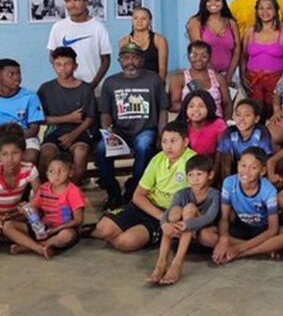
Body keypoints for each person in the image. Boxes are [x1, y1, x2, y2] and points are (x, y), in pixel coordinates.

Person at [92, 122, 196, 252]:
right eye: (164, 141)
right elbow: (138, 196)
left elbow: (194, 200)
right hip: (147, 207)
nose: (168, 146)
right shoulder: (157, 159)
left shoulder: (192, 162)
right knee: (104, 228)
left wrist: (167, 219)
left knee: (125, 242)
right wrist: (161, 216)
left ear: (185, 141)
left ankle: (144, 233)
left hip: (169, 214)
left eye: (173, 141)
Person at [97, 43, 169, 209]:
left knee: (144, 146)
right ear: (119, 61)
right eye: (126, 58)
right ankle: (113, 192)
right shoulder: (110, 82)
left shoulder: (153, 79)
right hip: (119, 132)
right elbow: (105, 113)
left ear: (142, 60)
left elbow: (163, 110)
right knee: (101, 149)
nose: (130, 62)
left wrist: (161, 135)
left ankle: (133, 188)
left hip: (145, 130)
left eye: (135, 57)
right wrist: (109, 135)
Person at [201, 147, 283, 264]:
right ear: (238, 165)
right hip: (240, 228)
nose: (246, 171)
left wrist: (238, 249)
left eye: (253, 168)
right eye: (243, 165)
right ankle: (264, 250)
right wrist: (223, 240)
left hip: (263, 231)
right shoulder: (229, 183)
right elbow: (224, 219)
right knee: (204, 235)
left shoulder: (269, 191)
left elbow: (272, 230)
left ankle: (242, 253)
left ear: (262, 171)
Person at [147, 155, 220, 285]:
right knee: (174, 212)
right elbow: (167, 213)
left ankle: (177, 263)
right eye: (190, 175)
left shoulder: (214, 194)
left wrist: (186, 224)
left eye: (199, 174)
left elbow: (210, 217)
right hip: (184, 231)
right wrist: (164, 224)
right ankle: (161, 262)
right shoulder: (182, 193)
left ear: (210, 175)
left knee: (190, 209)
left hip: (205, 229)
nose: (195, 179)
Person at [2, 152, 84, 259]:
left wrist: (54, 230)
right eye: (51, 171)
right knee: (8, 226)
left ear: (70, 172)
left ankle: (32, 246)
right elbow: (33, 207)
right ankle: (39, 248)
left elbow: (78, 220)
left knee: (66, 236)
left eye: (61, 171)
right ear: (47, 174)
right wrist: (22, 210)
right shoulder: (44, 188)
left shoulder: (73, 191)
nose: (56, 174)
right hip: (43, 228)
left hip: (64, 228)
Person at [37, 47, 95, 185]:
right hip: (54, 132)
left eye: (67, 64)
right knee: (46, 152)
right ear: (53, 65)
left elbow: (89, 118)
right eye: (58, 64)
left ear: (75, 66)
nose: (62, 68)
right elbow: (40, 118)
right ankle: (47, 192)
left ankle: (69, 191)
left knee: (81, 151)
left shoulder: (85, 89)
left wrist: (73, 135)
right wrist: (68, 118)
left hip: (80, 133)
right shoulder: (46, 89)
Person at [240, 0, 283, 121]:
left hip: (276, 81)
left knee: (275, 117)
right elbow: (243, 57)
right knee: (255, 116)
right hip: (253, 81)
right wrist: (243, 77)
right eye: (261, 8)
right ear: (257, 11)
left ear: (276, 11)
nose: (265, 12)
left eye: (269, 8)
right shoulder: (250, 32)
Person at [46, 0, 111, 90]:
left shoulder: (98, 27)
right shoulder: (58, 27)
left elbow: (106, 61)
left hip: (93, 90)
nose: (72, 5)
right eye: (68, 1)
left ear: (85, 2)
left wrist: (91, 86)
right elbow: (52, 57)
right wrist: (65, 78)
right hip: (65, 90)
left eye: (76, 0)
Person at [186, 0, 240, 81]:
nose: (213, 3)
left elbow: (237, 51)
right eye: (208, 0)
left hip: (229, 75)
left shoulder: (231, 23)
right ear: (204, 3)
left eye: (217, 0)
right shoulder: (196, 22)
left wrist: (229, 75)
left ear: (223, 3)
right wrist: (215, 77)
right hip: (204, 75)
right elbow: (198, 52)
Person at [169, 41, 232, 120]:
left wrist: (227, 122)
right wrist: (197, 111)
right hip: (190, 123)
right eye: (194, 55)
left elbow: (227, 103)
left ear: (209, 57)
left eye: (204, 56)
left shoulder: (218, 78)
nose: (199, 59)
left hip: (216, 123)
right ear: (188, 57)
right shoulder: (179, 79)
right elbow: (174, 104)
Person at [0, 59, 44, 164]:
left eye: (18, 73)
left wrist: (14, 141)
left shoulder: (30, 96)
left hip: (25, 137)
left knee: (30, 157)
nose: (17, 78)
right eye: (11, 74)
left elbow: (34, 128)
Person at [0, 124, 40, 234]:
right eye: (4, 154)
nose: (10, 159)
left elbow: (39, 196)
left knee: (34, 214)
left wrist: (29, 207)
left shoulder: (29, 169)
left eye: (15, 153)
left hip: (14, 215)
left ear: (23, 153)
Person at [217, 98, 273, 178]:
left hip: (255, 173)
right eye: (238, 115)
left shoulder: (261, 133)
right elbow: (226, 166)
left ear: (256, 119)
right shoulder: (229, 132)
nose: (241, 119)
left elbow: (265, 161)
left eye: (247, 115)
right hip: (235, 173)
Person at [175, 90, 227, 166]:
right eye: (191, 106)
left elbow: (222, 153)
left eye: (201, 106)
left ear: (208, 107)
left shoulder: (218, 124)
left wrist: (214, 172)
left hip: (210, 166)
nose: (196, 109)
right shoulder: (180, 125)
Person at [117, 7, 168, 82]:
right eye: (136, 18)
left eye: (143, 19)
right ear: (132, 21)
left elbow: (162, 69)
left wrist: (158, 87)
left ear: (150, 21)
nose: (139, 21)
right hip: (132, 83)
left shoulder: (159, 40)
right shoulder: (124, 41)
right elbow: (125, 67)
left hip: (153, 82)